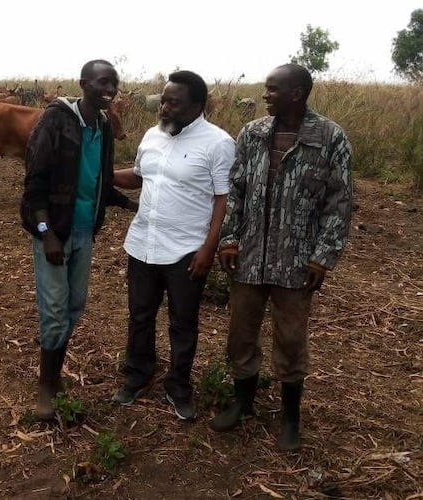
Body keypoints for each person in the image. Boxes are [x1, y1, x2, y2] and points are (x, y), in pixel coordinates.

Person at [209, 63, 352, 450]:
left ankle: (291, 419)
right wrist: (229, 240)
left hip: (297, 263)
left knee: (291, 339)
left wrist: (323, 257)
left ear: (297, 93)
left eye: (272, 89)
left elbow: (339, 204)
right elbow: (236, 190)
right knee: (241, 334)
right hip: (249, 258)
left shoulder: (330, 138)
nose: (265, 94)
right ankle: (243, 404)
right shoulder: (253, 133)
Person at [112, 70, 235, 421]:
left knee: (183, 322)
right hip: (143, 243)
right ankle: (137, 374)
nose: (163, 108)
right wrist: (100, 173)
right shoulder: (153, 135)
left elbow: (223, 199)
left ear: (197, 105)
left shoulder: (218, 143)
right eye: (163, 100)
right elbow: (138, 177)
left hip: (186, 250)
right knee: (140, 315)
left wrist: (208, 250)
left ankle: (179, 386)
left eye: (173, 102)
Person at [20, 59, 137, 421]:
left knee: (75, 306)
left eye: (114, 83)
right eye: (102, 81)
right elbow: (34, 186)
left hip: (85, 230)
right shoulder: (55, 121)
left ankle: (53, 376)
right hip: (54, 232)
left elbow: (100, 179)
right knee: (55, 312)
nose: (109, 89)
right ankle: (45, 390)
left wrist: (132, 205)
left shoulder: (101, 124)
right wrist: (46, 234)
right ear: (83, 82)